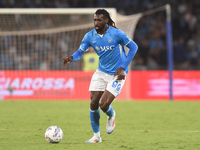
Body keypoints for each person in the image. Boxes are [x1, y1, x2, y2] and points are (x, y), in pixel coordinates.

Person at [63, 9, 138, 143]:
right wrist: (71, 58)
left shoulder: (116, 34)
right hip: (100, 73)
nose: (96, 22)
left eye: (99, 20)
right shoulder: (90, 36)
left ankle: (111, 115)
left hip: (117, 75)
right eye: (95, 20)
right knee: (93, 103)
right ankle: (96, 136)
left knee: (103, 105)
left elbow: (134, 47)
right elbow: (80, 52)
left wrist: (123, 68)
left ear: (106, 20)